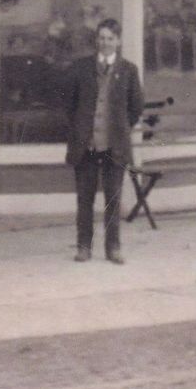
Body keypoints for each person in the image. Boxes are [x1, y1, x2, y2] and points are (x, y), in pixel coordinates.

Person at [63, 18, 144, 264]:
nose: (105, 42)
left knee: (113, 198)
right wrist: (82, 128)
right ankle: (83, 246)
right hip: (86, 144)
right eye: (101, 38)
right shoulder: (81, 68)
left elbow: (135, 107)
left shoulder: (128, 70)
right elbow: (70, 104)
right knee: (84, 199)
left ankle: (113, 247)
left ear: (118, 41)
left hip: (114, 145)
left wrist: (118, 129)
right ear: (96, 40)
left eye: (110, 38)